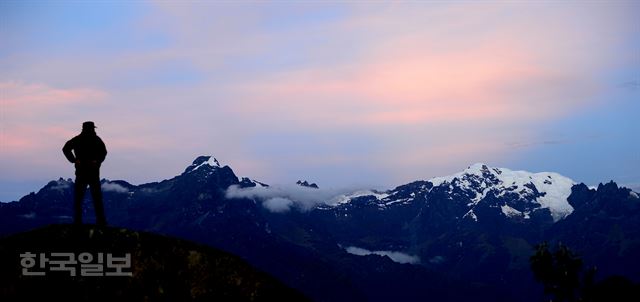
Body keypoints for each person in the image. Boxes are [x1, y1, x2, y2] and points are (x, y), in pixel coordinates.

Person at [62, 121, 108, 225]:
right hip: (92, 172)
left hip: (82, 171)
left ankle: (78, 222)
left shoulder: (77, 139)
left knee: (79, 198)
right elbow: (104, 152)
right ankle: (100, 222)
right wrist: (97, 161)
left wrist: (74, 160)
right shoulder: (96, 140)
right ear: (92, 129)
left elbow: (65, 149)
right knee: (96, 198)